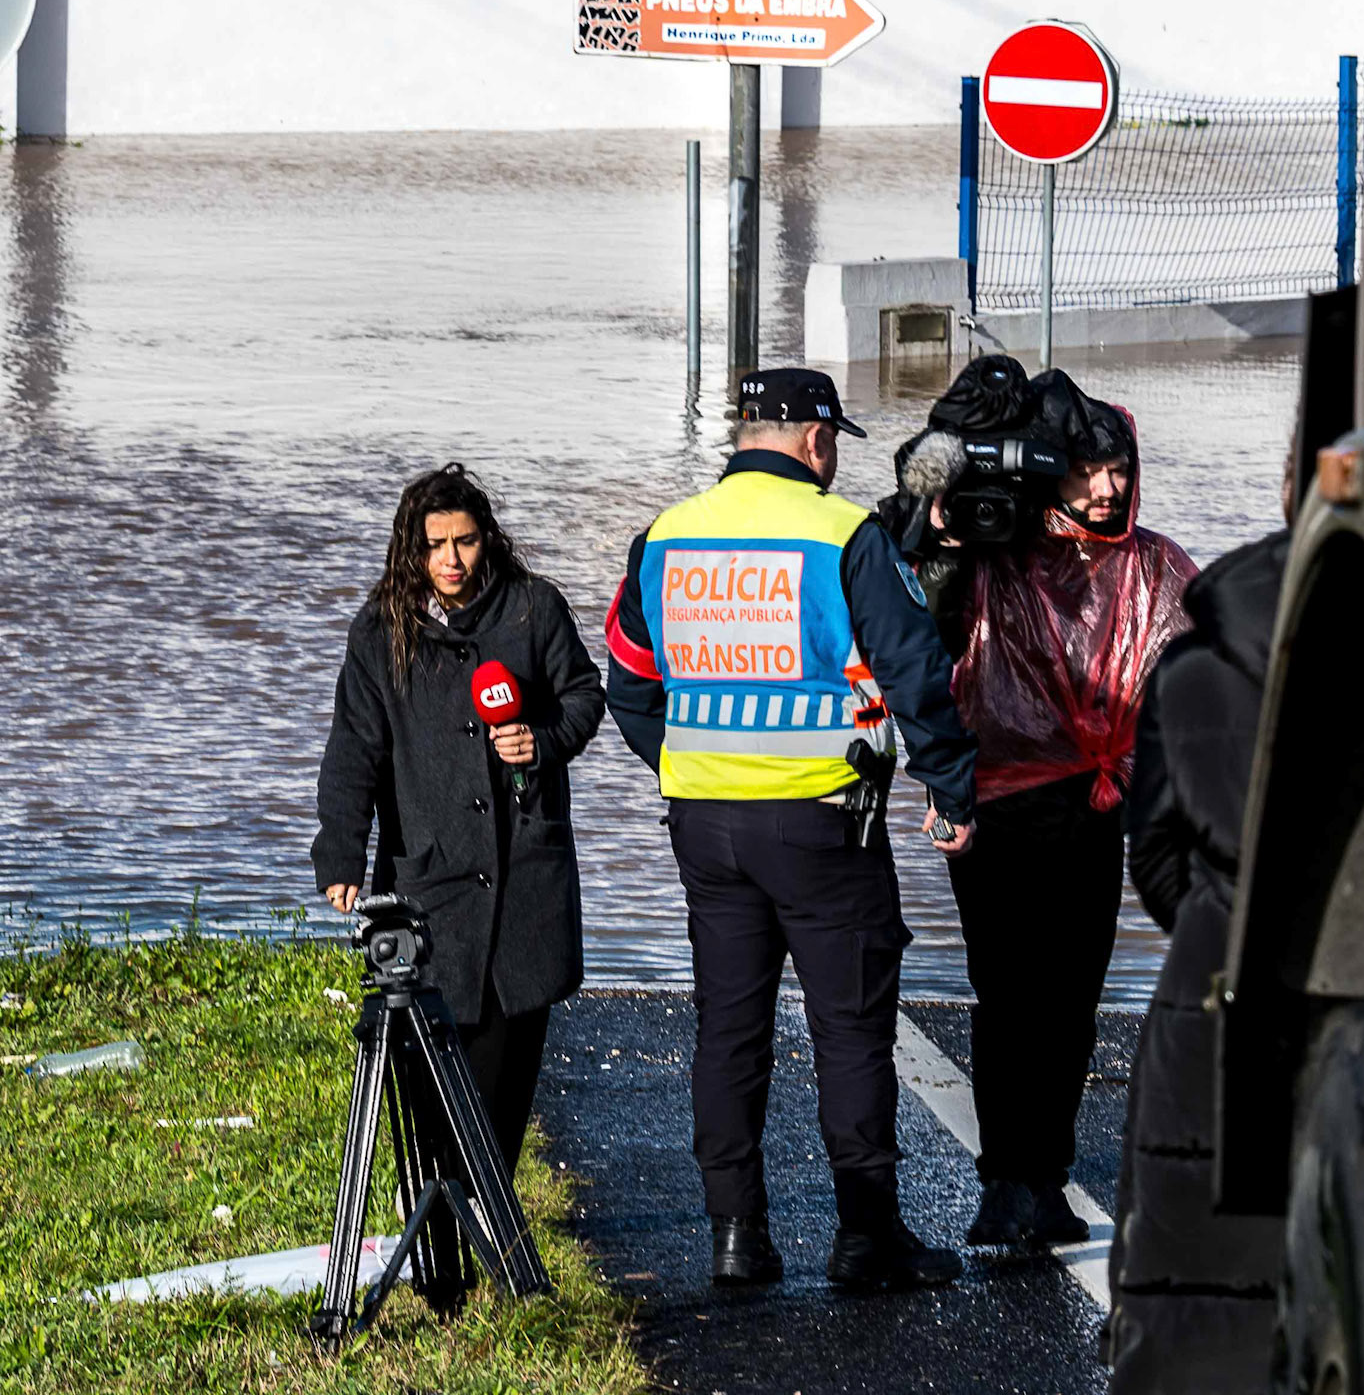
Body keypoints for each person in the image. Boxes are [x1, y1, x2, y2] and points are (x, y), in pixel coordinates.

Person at [605, 368, 980, 1293]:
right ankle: (865, 1241)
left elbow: (626, 675)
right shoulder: (841, 533)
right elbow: (914, 670)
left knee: (729, 1030)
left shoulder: (664, 535)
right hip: (822, 824)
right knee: (850, 1031)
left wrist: (682, 762)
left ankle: (737, 1239)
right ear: (815, 441)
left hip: (705, 825)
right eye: (834, 441)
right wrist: (951, 787)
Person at [893, 357, 1196, 1250]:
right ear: (1046, 471)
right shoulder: (996, 554)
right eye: (1085, 471)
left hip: (1096, 807)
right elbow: (914, 578)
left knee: (1071, 999)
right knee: (1008, 993)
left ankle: (1043, 1177)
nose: (1105, 489)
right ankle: (1005, 1180)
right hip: (998, 803)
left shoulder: (1153, 566)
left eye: (1119, 472)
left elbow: (1196, 674)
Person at [313, 462, 605, 1173]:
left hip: (524, 881)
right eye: (434, 544)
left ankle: (492, 1227)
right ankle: (439, 1240)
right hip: (429, 881)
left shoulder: (532, 608)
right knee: (429, 1079)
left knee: (504, 1079)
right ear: (411, 548)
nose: (450, 559)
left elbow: (584, 698)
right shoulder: (381, 631)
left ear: (487, 540)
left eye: (465, 541)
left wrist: (541, 739)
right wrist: (342, 854)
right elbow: (354, 750)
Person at [1103, 474, 1291, 1392]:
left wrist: (1221, 922)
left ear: (1292, 490)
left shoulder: (1196, 664)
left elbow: (1157, 857)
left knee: (1188, 1276)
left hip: (1221, 984)